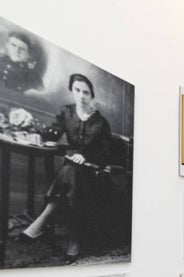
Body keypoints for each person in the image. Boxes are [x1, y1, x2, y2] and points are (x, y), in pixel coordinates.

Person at [16, 73, 112, 264]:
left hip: (93, 173)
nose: (81, 95)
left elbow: (106, 154)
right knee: (71, 171)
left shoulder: (101, 123)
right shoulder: (66, 112)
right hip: (71, 171)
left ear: (91, 95)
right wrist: (34, 130)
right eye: (77, 90)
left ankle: (42, 222)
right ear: (72, 91)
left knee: (73, 172)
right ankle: (74, 238)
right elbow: (52, 133)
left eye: (86, 92)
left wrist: (86, 157)